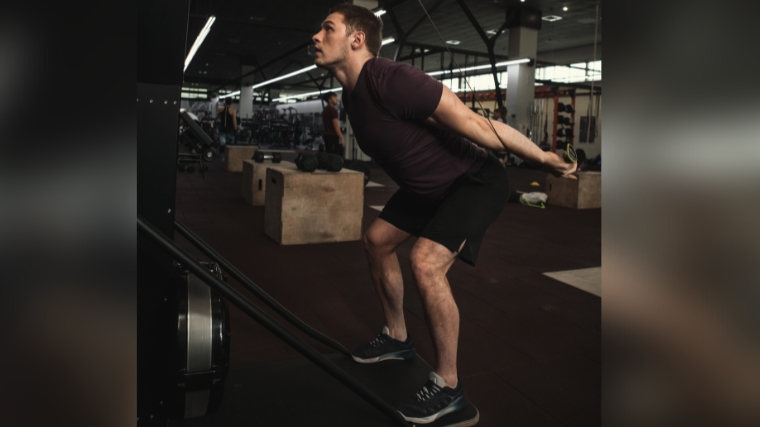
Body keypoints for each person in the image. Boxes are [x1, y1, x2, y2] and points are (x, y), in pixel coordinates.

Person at [312, 4, 576, 424]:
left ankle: (449, 387)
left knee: (425, 263)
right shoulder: (351, 94)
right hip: (428, 187)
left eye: (328, 28)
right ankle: (398, 337)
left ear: (356, 39)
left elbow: (479, 125)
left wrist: (546, 159)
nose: (316, 36)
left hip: (473, 182)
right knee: (377, 242)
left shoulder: (394, 81)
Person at [321, 91, 345, 156]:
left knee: (328, 155)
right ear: (329, 100)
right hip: (332, 137)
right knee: (334, 157)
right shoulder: (333, 111)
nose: (337, 99)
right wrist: (341, 138)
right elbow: (336, 127)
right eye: (334, 97)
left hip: (326, 136)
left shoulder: (325, 110)